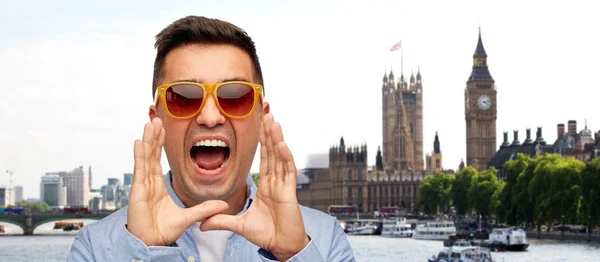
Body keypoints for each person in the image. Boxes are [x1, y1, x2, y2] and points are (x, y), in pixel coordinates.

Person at [67, 15, 355, 262]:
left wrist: (292, 255)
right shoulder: (96, 247)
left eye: (235, 96)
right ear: (157, 120)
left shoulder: (322, 240)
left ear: (261, 118)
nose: (210, 116)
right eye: (183, 97)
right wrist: (144, 252)